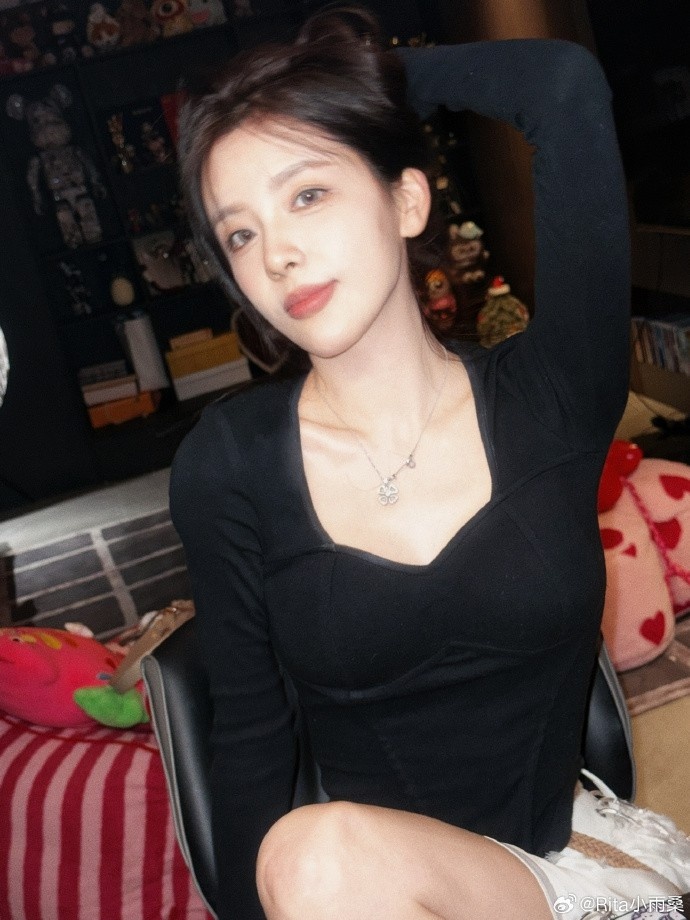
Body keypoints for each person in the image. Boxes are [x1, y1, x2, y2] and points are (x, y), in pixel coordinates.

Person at [170, 8, 689, 920]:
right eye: (240, 234)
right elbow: (251, 741)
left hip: (563, 874)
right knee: (313, 861)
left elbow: (562, 87)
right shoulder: (228, 465)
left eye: (307, 194)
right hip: (365, 889)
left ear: (407, 201)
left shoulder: (552, 395)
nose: (278, 252)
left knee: (320, 861)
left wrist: (359, 76)